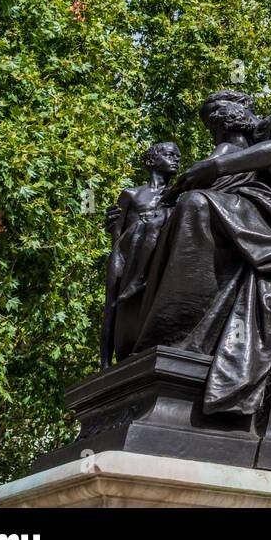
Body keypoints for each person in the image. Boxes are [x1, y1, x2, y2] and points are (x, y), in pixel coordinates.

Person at [126, 91, 271, 415]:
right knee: (169, 218)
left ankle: (177, 332)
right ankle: (164, 338)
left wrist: (214, 166)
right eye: (213, 125)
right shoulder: (238, 157)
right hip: (251, 209)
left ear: (244, 107)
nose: (218, 127)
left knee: (197, 206)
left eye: (221, 115)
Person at [102, 141, 180, 369]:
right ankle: (105, 365)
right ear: (151, 161)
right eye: (169, 154)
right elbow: (117, 234)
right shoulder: (131, 194)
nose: (176, 159)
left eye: (178, 156)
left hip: (155, 256)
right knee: (111, 307)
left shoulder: (178, 195)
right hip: (126, 254)